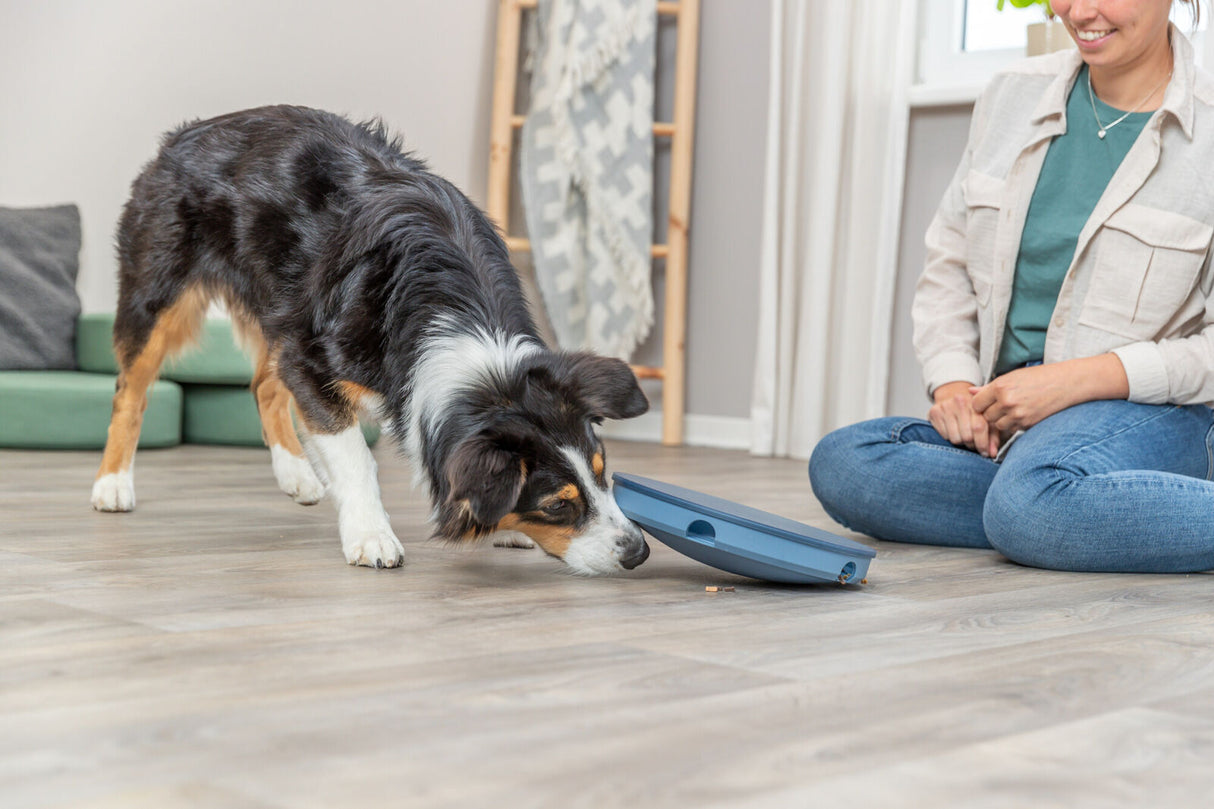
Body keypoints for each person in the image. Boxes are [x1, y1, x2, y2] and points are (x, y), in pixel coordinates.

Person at [808, 0, 1214, 573]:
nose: (1080, 11)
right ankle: (1061, 505)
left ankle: (1039, 503)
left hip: (1161, 414)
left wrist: (1076, 380)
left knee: (1027, 503)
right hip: (1010, 424)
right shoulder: (1011, 94)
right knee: (845, 462)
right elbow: (948, 261)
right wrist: (953, 386)